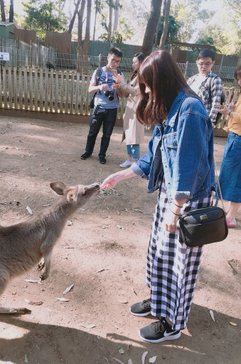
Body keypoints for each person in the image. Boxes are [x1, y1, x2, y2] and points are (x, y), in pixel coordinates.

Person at [101, 49, 215, 343]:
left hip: (187, 201)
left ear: (162, 79)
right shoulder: (170, 107)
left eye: (149, 83)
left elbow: (189, 168)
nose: (147, 90)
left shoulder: (190, 109)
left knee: (180, 262)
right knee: (159, 254)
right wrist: (121, 175)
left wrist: (175, 212)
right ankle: (160, 302)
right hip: (170, 194)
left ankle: (173, 323)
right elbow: (154, 157)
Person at [80, 47, 124, 164]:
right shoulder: (99, 71)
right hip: (99, 107)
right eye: (113, 60)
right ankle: (88, 152)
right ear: (108, 58)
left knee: (107, 134)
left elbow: (122, 95)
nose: (115, 63)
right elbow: (90, 89)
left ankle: (102, 155)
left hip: (112, 109)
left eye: (118, 61)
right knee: (92, 132)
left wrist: (119, 85)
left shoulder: (120, 74)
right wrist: (100, 87)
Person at [216, 65, 241, 228]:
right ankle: (230, 213)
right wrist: (232, 109)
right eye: (238, 77)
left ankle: (231, 216)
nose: (240, 81)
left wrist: (229, 113)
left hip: (239, 139)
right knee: (231, 175)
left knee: (235, 177)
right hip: (234, 137)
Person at [115, 52, 146, 168]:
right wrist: (120, 85)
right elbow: (127, 91)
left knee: (134, 136)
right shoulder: (136, 75)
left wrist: (122, 83)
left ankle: (135, 161)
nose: (132, 64)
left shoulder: (144, 76)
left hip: (137, 109)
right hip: (130, 108)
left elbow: (135, 91)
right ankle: (129, 159)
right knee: (128, 134)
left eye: (135, 62)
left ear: (141, 62)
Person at [187, 48, 224, 126]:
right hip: (188, 118)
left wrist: (208, 125)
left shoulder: (215, 80)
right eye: (201, 63)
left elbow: (216, 105)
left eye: (207, 63)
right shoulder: (191, 80)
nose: (203, 66)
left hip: (202, 121)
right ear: (197, 63)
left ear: (213, 63)